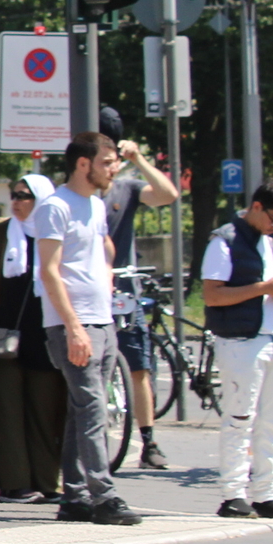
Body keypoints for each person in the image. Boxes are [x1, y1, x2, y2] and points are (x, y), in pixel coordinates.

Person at [31, 130, 138, 526]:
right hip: (72, 325)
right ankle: (104, 496)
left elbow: (101, 250)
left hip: (102, 320)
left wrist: (104, 277)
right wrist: (73, 327)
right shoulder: (54, 207)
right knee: (93, 408)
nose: (113, 169)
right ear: (83, 164)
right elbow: (49, 270)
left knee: (83, 412)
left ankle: (74, 497)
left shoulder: (94, 205)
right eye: (107, 162)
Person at [202, 180, 273, 519]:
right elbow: (212, 295)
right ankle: (233, 494)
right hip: (242, 341)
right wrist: (263, 288)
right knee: (239, 418)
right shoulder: (225, 241)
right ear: (256, 207)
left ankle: (266, 493)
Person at [0, 176, 66, 502]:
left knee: (46, 412)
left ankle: (46, 482)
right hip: (3, 336)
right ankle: (13, 484)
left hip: (44, 335)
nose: (17, 202)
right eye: (15, 196)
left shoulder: (55, 231)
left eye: (25, 196)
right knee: (8, 413)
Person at [97, 105, 182, 470]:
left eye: (114, 156)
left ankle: (148, 440)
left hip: (123, 292)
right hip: (91, 290)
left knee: (139, 367)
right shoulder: (79, 188)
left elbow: (168, 194)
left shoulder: (127, 188)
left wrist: (139, 159)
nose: (110, 164)